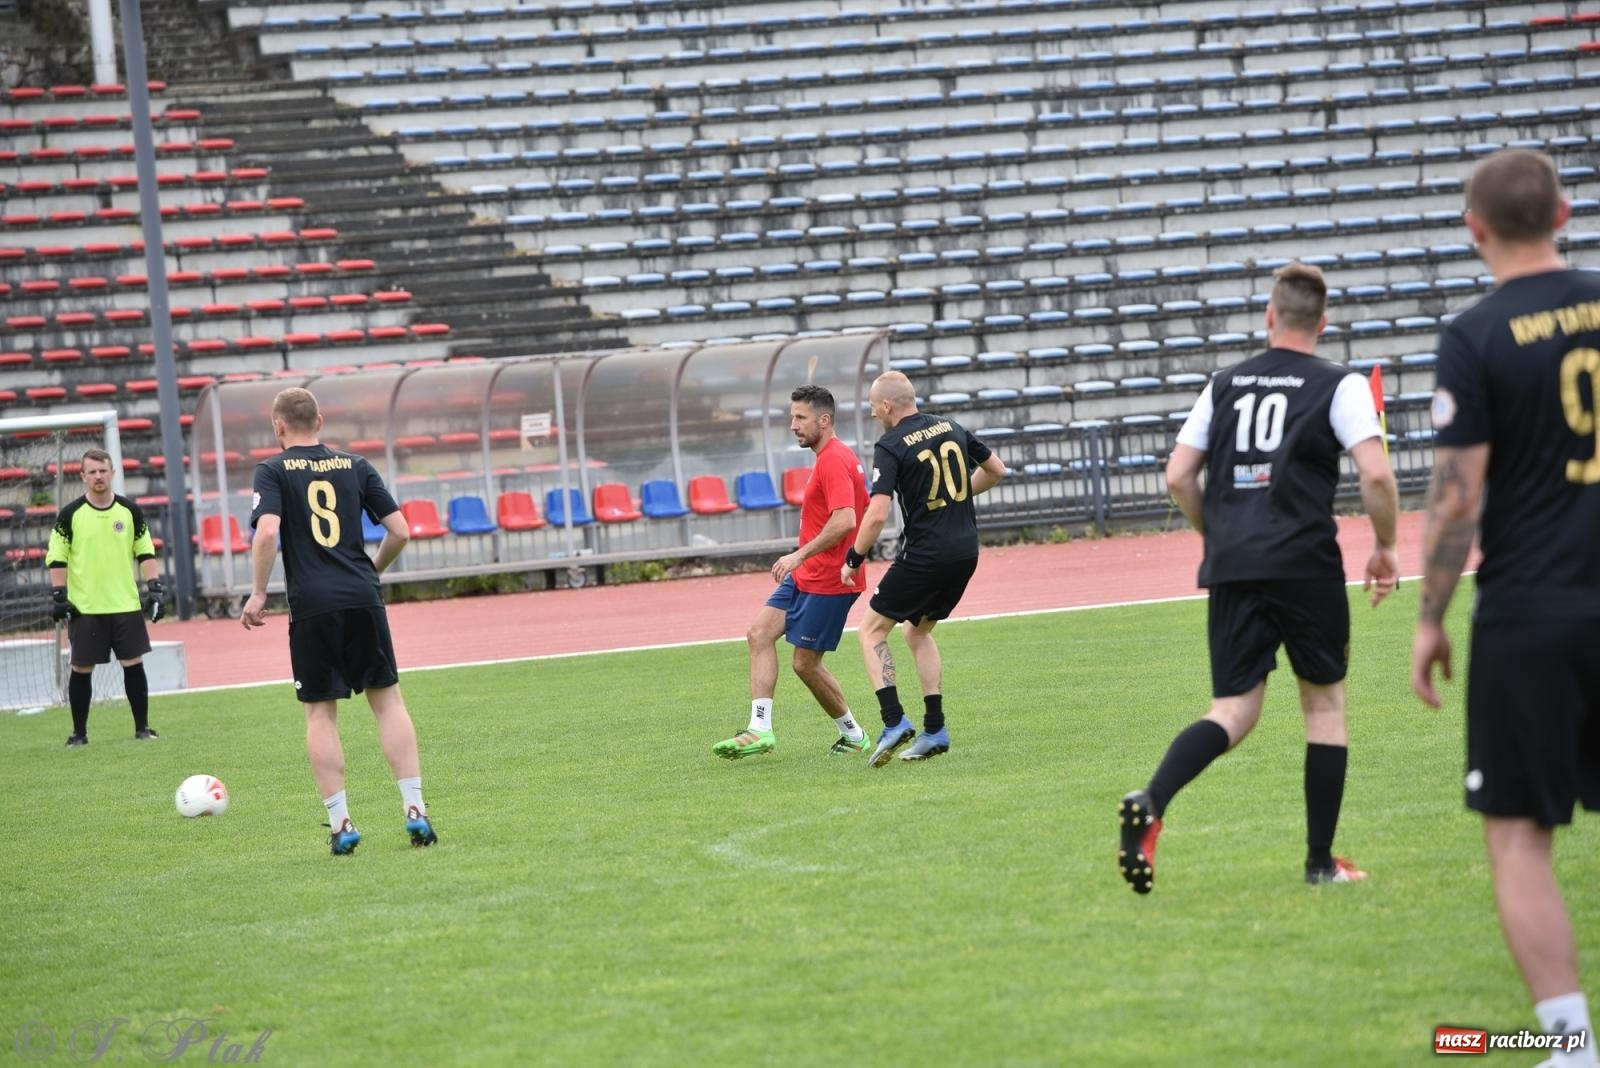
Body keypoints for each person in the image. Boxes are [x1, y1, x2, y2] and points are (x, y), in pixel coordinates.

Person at [1118, 262, 1400, 894]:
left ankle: (1153, 798)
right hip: (1305, 564)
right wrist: (1385, 546)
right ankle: (1320, 864)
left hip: (1235, 566)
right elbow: (1377, 477)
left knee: (1234, 710)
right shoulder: (1341, 384)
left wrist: (1217, 536)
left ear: (1269, 317)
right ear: (1322, 324)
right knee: (1324, 707)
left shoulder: (1223, 384)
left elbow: (1178, 475)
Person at [1411, 148, 1600, 1067]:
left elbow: (1456, 498)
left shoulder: (1476, 335)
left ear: (1474, 230)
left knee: (1522, 838)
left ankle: (1570, 1044)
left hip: (1533, 609)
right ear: (1565, 212)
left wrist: (1430, 615)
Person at [242, 387, 438, 857]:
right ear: (321, 421)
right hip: (361, 594)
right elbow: (401, 531)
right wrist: (372, 572)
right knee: (387, 701)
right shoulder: (355, 464)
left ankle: (342, 823)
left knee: (320, 712)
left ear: (278, 426)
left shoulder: (272, 470)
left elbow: (268, 530)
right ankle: (415, 811)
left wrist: (258, 590)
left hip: (313, 602)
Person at [840, 370, 1007, 766]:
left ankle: (894, 721)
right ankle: (935, 729)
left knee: (870, 631)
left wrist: (854, 558)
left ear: (886, 406)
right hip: (966, 550)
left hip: (926, 553)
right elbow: (998, 470)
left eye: (872, 408)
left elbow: (877, 513)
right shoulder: (951, 426)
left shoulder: (891, 444)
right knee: (917, 631)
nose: (873, 415)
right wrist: (958, 492)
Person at [713, 385, 872, 759]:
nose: (793, 425)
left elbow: (846, 520)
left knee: (805, 663)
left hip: (830, 579)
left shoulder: (834, 459)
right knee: (759, 634)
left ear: (824, 420)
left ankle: (855, 735)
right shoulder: (829, 457)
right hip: (808, 576)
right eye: (792, 417)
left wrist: (798, 555)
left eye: (800, 417)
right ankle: (759, 730)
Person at [46, 448, 166, 746]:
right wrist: (59, 595)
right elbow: (57, 557)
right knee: (81, 668)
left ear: (113, 473)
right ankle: (79, 734)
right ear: (83, 476)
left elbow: (145, 551)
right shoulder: (70, 515)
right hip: (86, 607)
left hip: (125, 604)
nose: (99, 476)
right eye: (93, 472)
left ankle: (142, 728)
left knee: (133, 663)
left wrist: (155, 589)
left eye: (103, 470)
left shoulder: (129, 511)